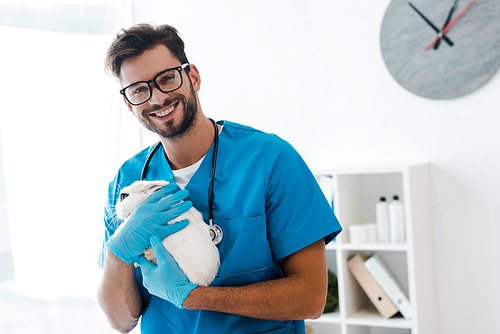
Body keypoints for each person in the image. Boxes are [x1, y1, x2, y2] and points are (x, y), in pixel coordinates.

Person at [97, 23, 342, 334]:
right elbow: (121, 321)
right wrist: (116, 252)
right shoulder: (126, 183)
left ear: (193, 77)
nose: (157, 98)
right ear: (129, 103)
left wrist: (195, 298)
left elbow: (310, 298)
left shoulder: (270, 159)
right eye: (139, 90)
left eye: (167, 79)